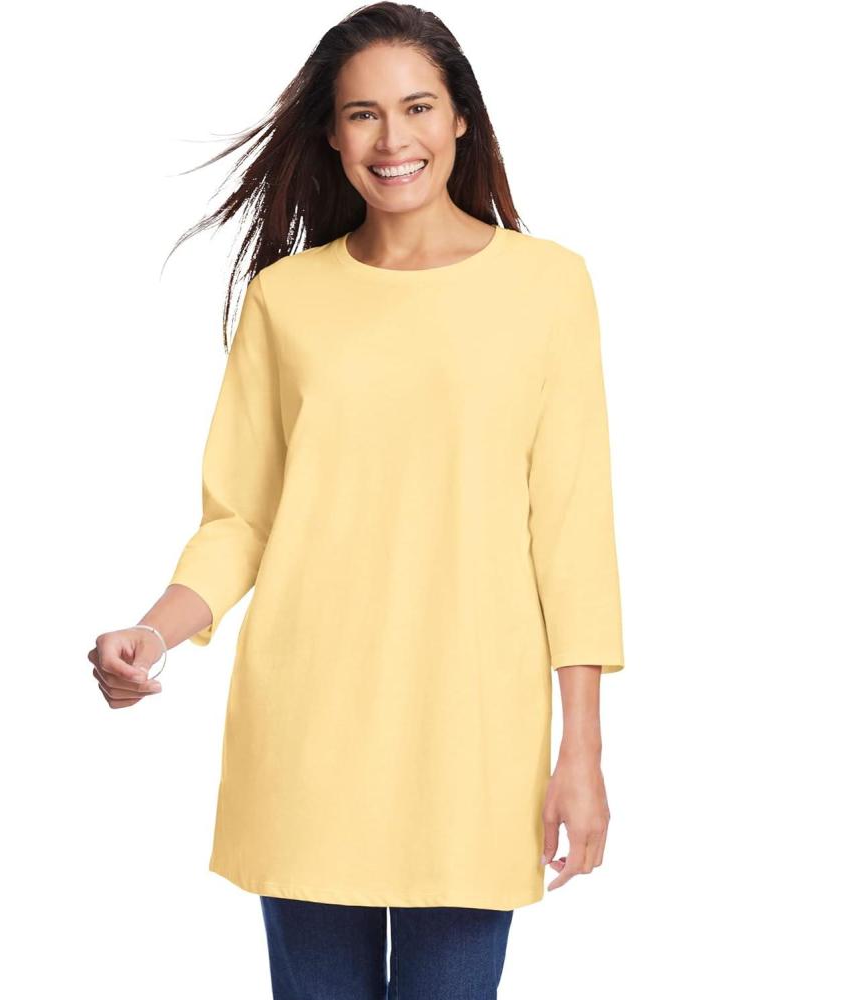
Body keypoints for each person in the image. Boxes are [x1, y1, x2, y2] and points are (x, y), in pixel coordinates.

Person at [87, 3, 625, 997]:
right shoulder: (287, 298)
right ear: (333, 135)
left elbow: (572, 530)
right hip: (308, 729)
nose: (392, 139)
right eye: (363, 114)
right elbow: (242, 518)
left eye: (416, 107)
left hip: (472, 733)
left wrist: (580, 751)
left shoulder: (548, 287)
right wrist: (152, 634)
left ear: (459, 118)